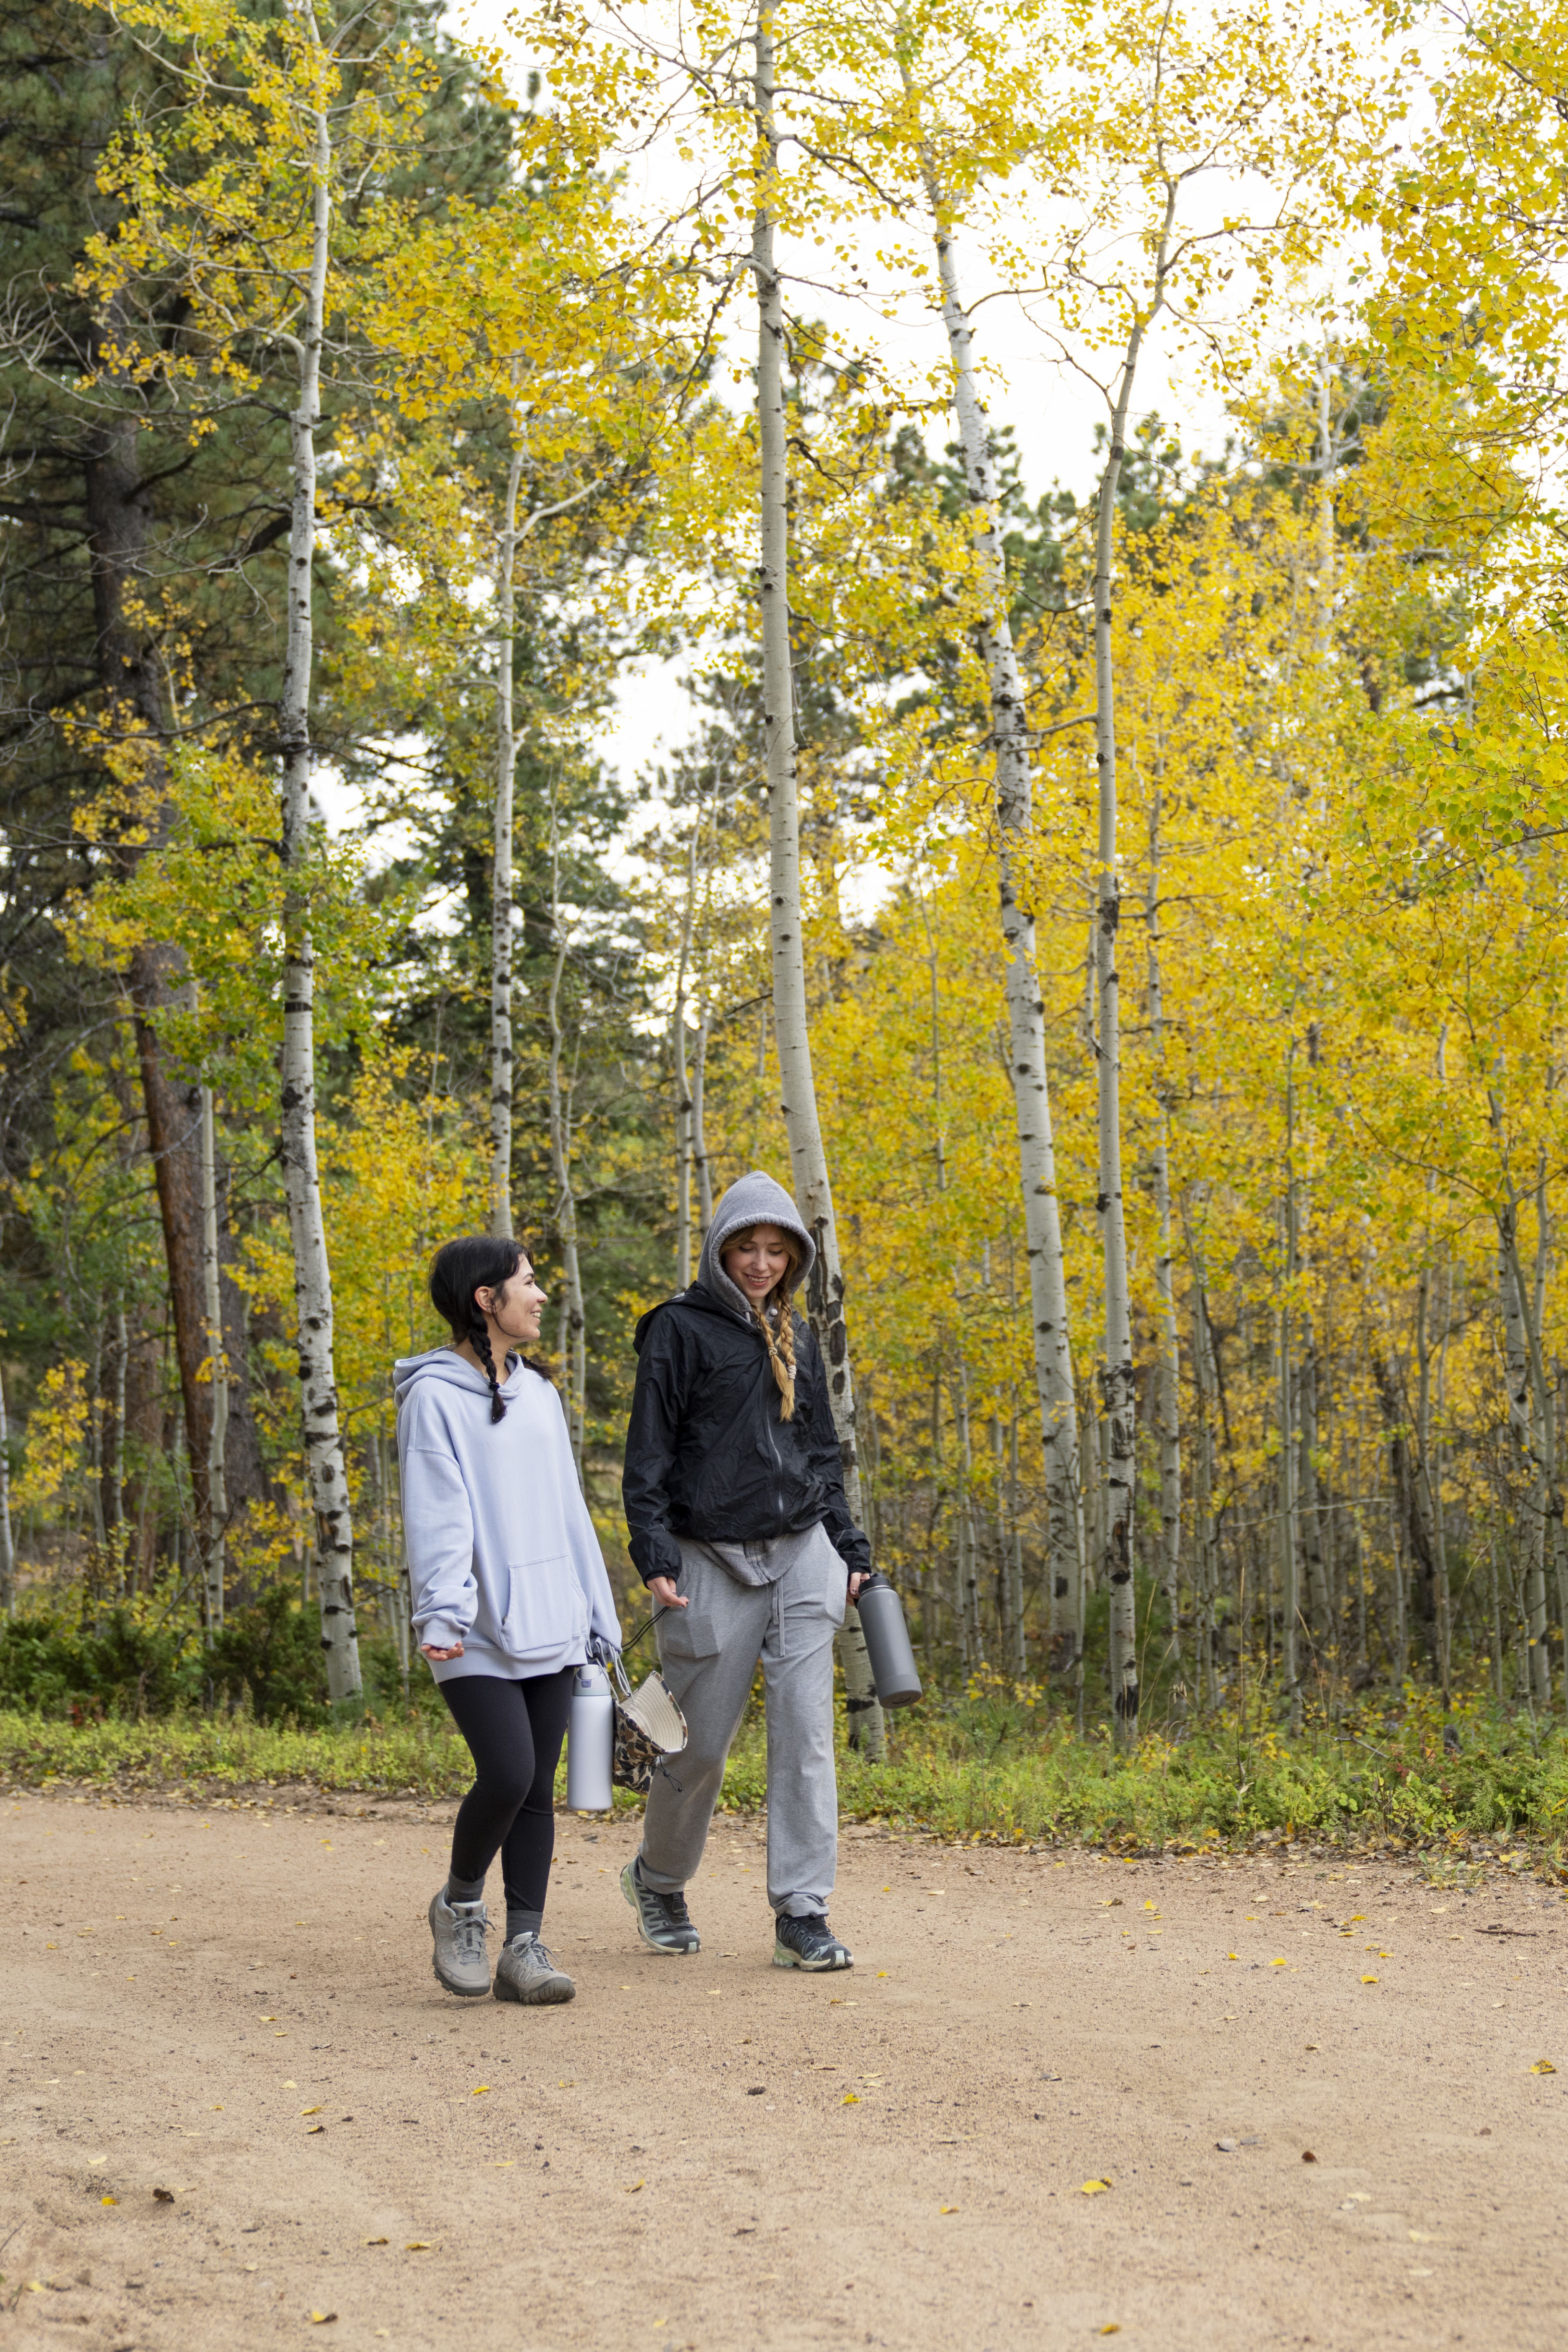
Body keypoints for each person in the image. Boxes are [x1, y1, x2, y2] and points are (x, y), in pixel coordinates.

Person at [619, 1169, 869, 1971]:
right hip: (705, 1558)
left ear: (792, 1258)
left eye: (775, 1251)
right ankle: (657, 1879)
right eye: (745, 1248)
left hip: (800, 1552)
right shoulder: (678, 1331)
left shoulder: (795, 1331)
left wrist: (850, 1548)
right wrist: (653, 1553)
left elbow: (820, 1454)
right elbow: (648, 1452)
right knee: (696, 1746)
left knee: (805, 1739)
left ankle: (802, 1912)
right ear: (718, 1249)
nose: (760, 1263)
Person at [396, 1235, 621, 2006]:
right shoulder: (433, 1396)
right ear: (484, 1300)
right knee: (508, 1770)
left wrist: (599, 1617)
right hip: (471, 1628)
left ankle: (523, 1945)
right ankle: (461, 1904)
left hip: (553, 1623)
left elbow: (568, 1514)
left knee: (537, 1790)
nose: (541, 1295)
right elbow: (438, 1514)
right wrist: (443, 1610)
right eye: (527, 1283)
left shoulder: (540, 1395)